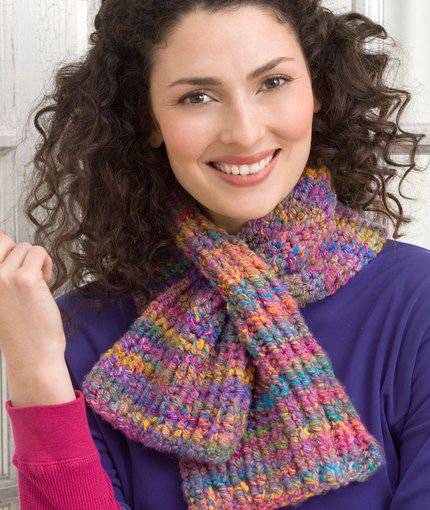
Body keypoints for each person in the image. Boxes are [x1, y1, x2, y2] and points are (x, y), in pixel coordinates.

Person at [1, 0, 429, 509]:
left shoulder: (416, 304)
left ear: (318, 91)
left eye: (273, 83)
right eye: (197, 96)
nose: (244, 133)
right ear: (148, 120)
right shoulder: (77, 334)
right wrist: (36, 373)